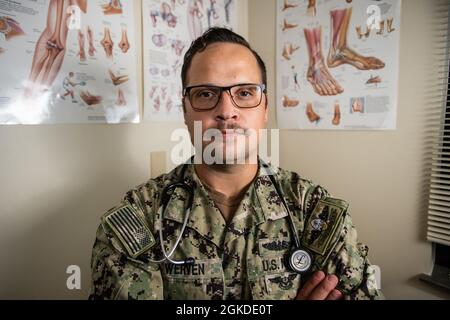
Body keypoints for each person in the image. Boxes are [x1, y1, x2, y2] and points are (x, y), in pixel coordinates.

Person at [89, 27, 383, 300]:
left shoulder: (313, 212)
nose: (227, 111)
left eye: (244, 93)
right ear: (185, 111)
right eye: (206, 94)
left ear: (265, 107)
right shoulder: (141, 216)